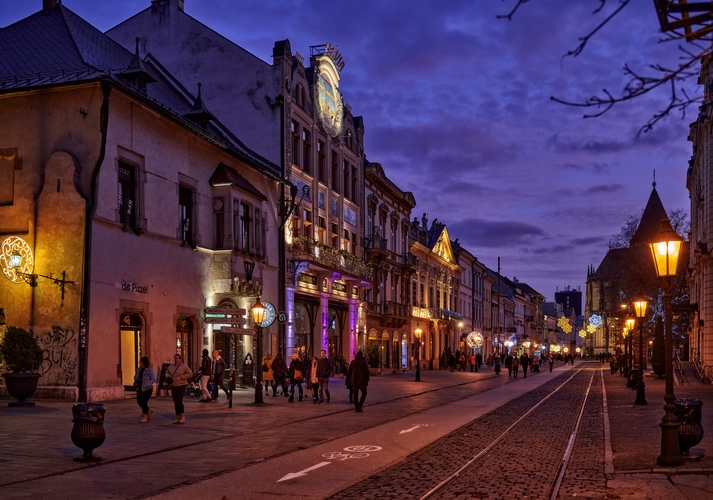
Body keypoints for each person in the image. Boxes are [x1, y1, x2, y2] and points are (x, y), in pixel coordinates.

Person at [166, 353, 192, 424]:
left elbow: (190, 374)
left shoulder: (184, 366)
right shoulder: (171, 366)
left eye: (177, 358)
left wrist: (181, 377)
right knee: (175, 401)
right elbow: (166, 372)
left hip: (182, 385)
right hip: (174, 385)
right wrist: (168, 376)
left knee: (179, 400)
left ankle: (182, 416)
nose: (175, 360)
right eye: (174, 358)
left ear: (180, 359)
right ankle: (177, 416)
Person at [134, 356, 156, 423]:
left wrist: (148, 384)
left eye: (141, 362)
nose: (140, 363)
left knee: (144, 401)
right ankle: (148, 411)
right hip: (140, 388)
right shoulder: (138, 369)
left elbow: (153, 379)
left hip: (147, 389)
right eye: (140, 362)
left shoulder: (149, 370)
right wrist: (135, 381)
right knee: (139, 401)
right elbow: (136, 377)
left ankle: (145, 415)